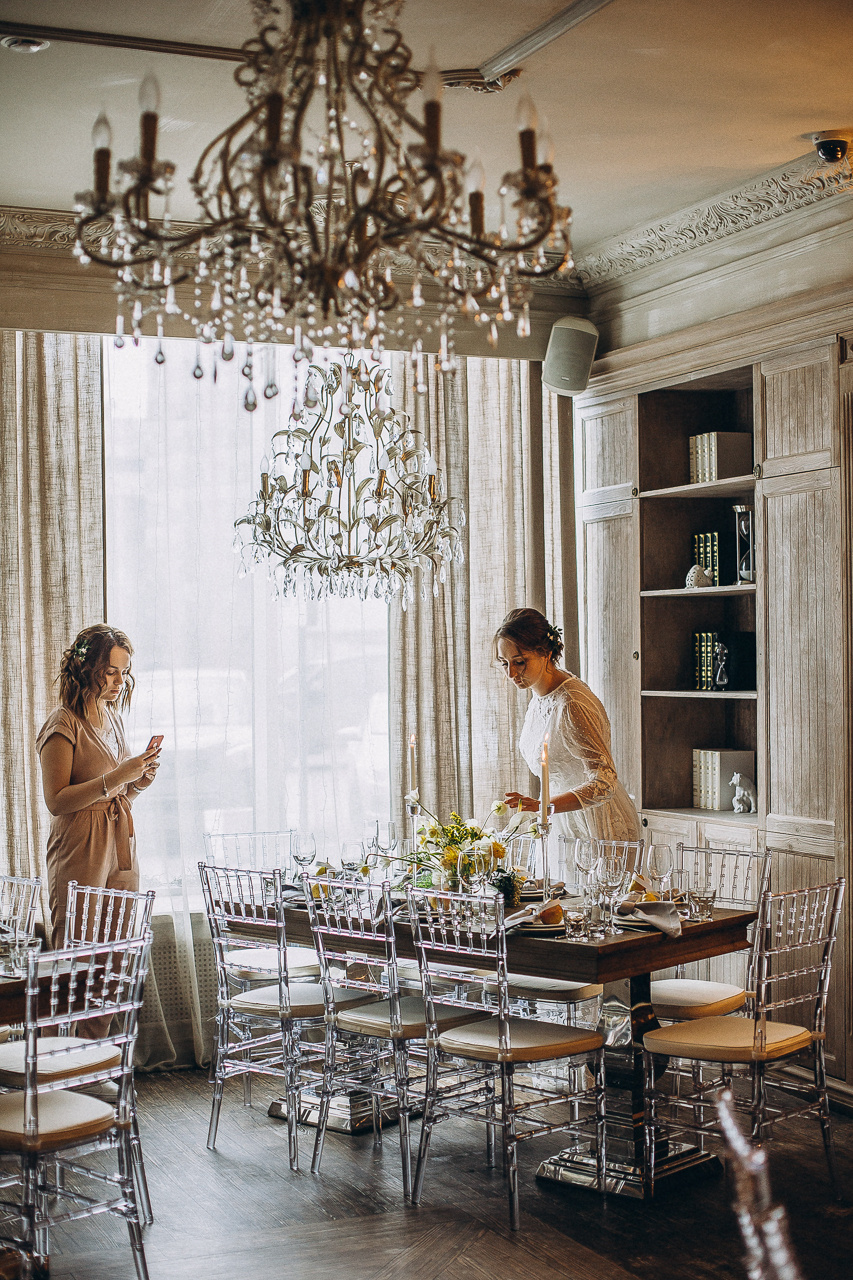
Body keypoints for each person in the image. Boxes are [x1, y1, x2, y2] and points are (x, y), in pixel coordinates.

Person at [36, 623, 161, 950]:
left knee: (118, 952)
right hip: (80, 845)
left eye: (125, 671)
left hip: (119, 841)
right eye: (111, 672)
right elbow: (56, 800)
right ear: (87, 669)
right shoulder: (63, 722)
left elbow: (114, 794)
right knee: (77, 953)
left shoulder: (113, 716)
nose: (121, 681)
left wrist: (138, 784)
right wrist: (120, 776)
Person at [496, 608, 640, 860]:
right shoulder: (540, 694)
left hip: (596, 827)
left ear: (546, 653)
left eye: (519, 662)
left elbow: (604, 783)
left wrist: (544, 806)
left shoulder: (571, 703)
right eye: (504, 663)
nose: (510, 674)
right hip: (558, 825)